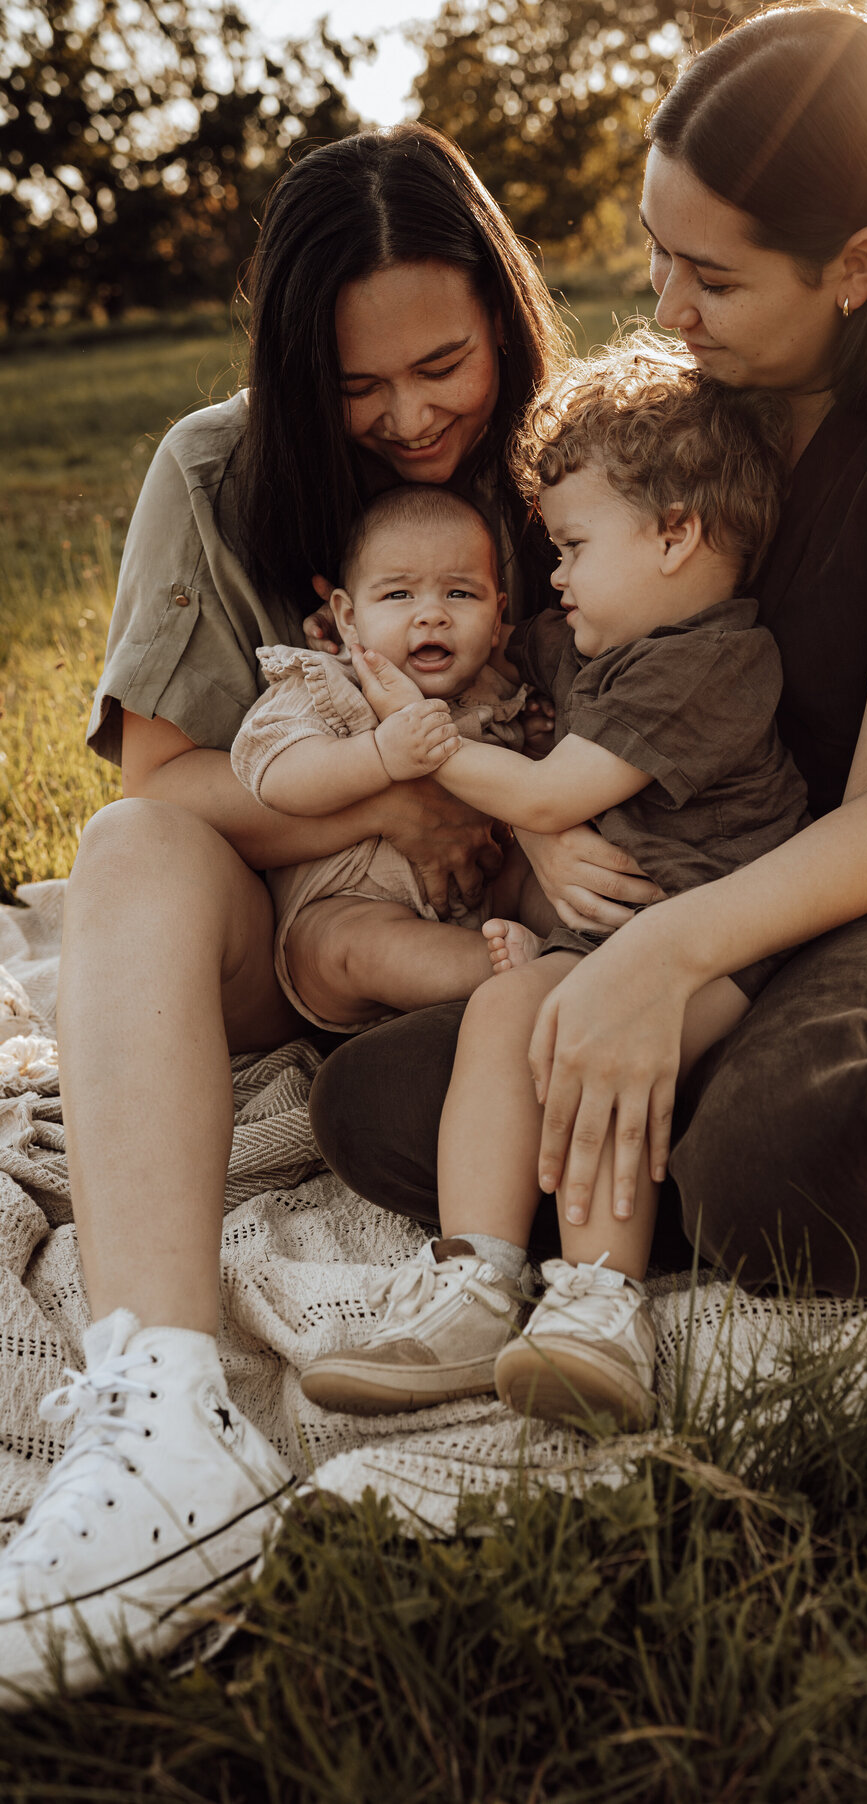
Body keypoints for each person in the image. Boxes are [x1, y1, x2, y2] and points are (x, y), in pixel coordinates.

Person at [309, 6, 867, 1337]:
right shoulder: (684, 411)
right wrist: (553, 848)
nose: (668, 309)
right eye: (661, 260)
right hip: (711, 869)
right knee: (384, 1105)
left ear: (858, 264)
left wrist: (659, 959)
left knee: (767, 1171)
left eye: (711, 281)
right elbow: (575, 663)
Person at [0, 123, 614, 1700]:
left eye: (445, 363)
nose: (410, 416)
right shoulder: (215, 468)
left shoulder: (577, 461)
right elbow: (163, 776)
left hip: (523, 918)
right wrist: (379, 795)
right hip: (290, 933)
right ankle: (165, 1403)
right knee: (129, 851)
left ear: (507, 315)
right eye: (358, 386)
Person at [298, 339, 809, 1430]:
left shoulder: (709, 659)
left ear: (676, 534)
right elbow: (480, 650)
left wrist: (407, 730)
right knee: (502, 1009)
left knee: (589, 1040)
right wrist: (373, 643)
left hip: (713, 947)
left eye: (573, 547)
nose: (558, 577)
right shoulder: (592, 636)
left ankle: (598, 1305)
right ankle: (477, 1281)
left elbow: (543, 796)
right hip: (603, 944)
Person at [230, 485, 553, 1032]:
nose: (431, 616)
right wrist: (378, 756)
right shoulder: (326, 685)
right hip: (349, 907)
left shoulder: (493, 691)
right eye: (399, 595)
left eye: (460, 594)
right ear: (349, 619)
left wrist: (537, 741)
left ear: (497, 617)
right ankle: (516, 972)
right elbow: (275, 777)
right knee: (356, 945)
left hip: (481, 895)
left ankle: (575, 943)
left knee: (538, 867)